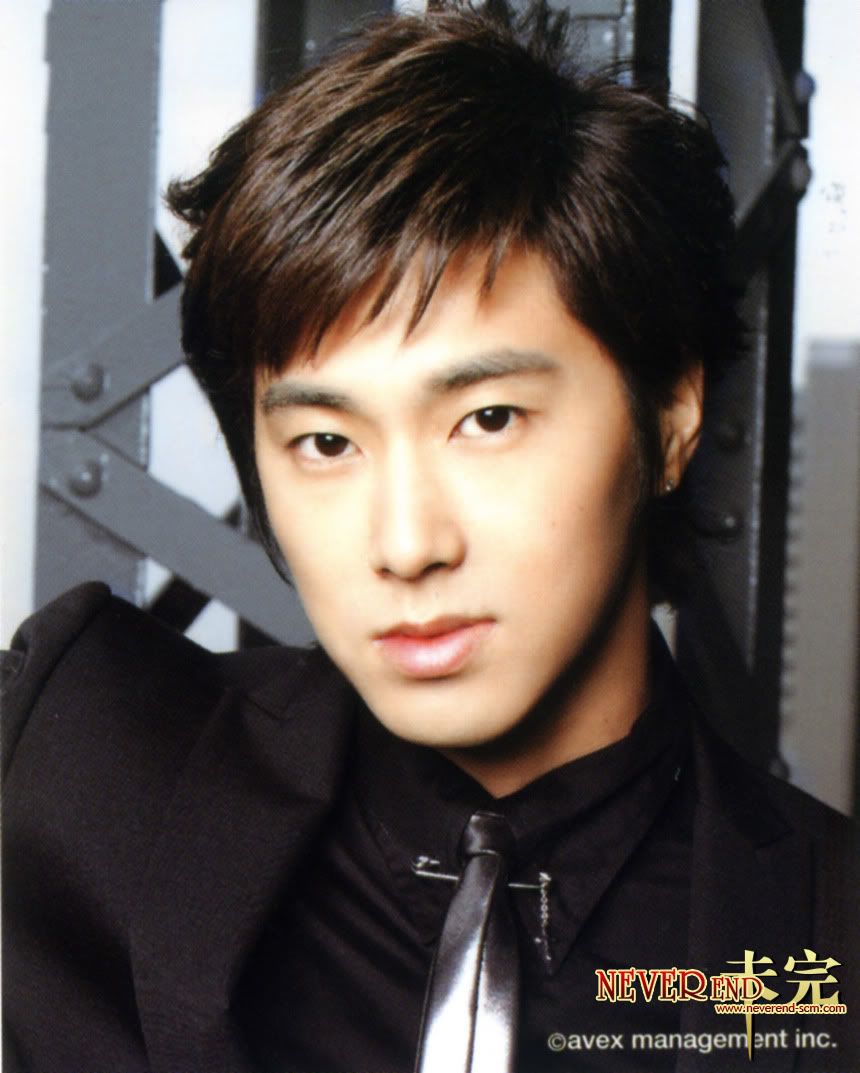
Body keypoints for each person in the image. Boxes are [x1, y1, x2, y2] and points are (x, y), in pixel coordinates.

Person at [2, 3, 857, 1072]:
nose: (406, 544)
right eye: (325, 441)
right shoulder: (74, 757)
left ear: (671, 418)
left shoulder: (824, 938)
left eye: (487, 419)